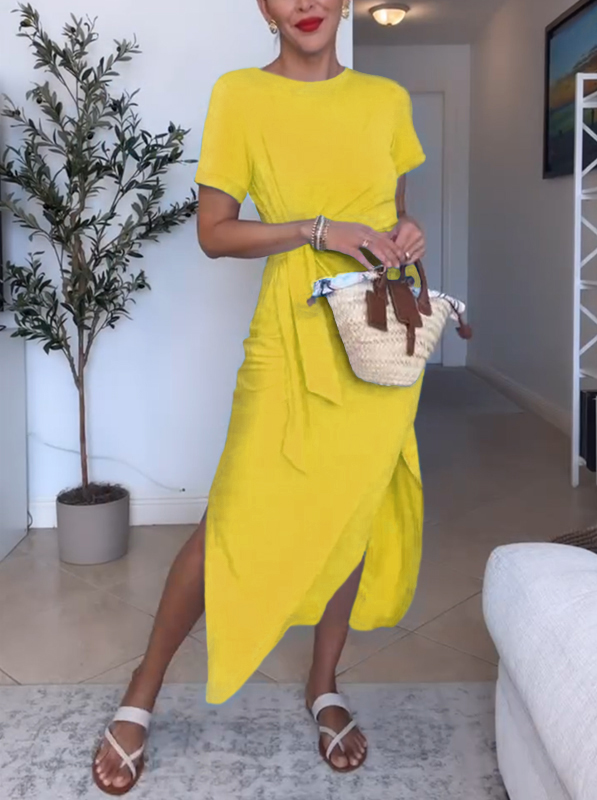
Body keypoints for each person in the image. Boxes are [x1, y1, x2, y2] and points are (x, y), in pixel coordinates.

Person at [92, 0, 427, 793]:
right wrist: (317, 229)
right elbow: (214, 231)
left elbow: (395, 216)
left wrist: (407, 239)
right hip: (289, 334)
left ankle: (324, 685)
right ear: (265, 7)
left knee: (350, 513)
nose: (306, 3)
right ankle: (142, 690)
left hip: (376, 334)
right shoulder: (240, 93)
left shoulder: (386, 101)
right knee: (232, 519)